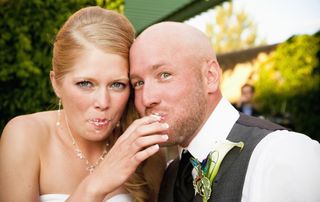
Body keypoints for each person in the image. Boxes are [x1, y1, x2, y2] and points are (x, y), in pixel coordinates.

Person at [129, 22, 320, 202]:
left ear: (210, 77)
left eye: (164, 75)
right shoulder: (171, 173)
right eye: (138, 83)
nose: (146, 98)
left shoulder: (282, 155)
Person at [0, 7, 169, 202]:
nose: (103, 103)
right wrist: (96, 185)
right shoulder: (26, 135)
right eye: (85, 84)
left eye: (117, 85)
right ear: (56, 83)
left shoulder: (145, 147)